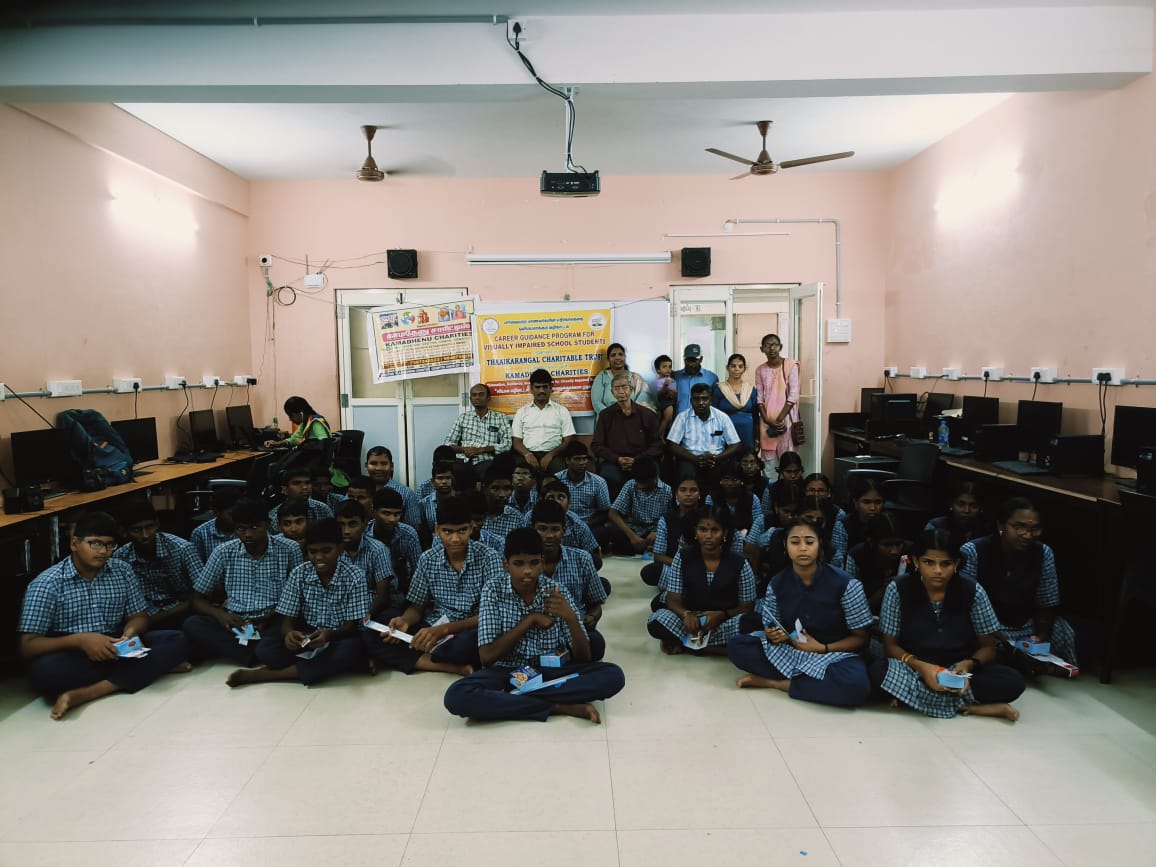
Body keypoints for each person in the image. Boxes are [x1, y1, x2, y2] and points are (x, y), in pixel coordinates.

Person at [18, 511, 192, 720]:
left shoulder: (122, 570)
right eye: (95, 544)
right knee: (45, 673)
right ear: (75, 544)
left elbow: (139, 617)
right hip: (72, 651)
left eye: (110, 545)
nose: (103, 552)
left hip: (117, 645)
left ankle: (86, 693)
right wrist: (81, 641)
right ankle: (150, 669)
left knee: (176, 639)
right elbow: (28, 645)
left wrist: (130, 633)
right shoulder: (46, 583)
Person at [442, 528, 626, 724]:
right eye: (519, 563)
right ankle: (556, 706)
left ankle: (514, 698)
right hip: (507, 672)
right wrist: (530, 620)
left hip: (550, 672)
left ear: (542, 563)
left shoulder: (557, 592)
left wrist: (571, 618)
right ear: (506, 564)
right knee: (456, 695)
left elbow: (584, 658)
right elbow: (487, 657)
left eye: (534, 563)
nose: (527, 571)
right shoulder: (493, 590)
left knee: (613, 675)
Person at [871, 529, 1024, 721]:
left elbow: (989, 647)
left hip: (958, 669)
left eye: (945, 564)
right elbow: (890, 646)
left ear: (956, 564)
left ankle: (913, 698)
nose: (937, 571)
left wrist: (968, 665)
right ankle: (971, 707)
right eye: (929, 562)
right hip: (914, 667)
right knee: (879, 671)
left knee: (1012, 681)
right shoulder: (898, 589)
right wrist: (923, 668)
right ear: (916, 562)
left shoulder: (973, 591)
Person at [727, 516, 873, 707]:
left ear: (820, 545)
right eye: (795, 542)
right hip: (794, 648)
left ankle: (779, 684)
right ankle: (811, 682)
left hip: (835, 654)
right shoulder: (777, 583)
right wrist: (774, 634)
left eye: (809, 542)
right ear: (785, 546)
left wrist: (822, 648)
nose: (803, 548)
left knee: (856, 687)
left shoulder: (847, 584)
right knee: (737, 646)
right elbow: (773, 624)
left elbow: (861, 638)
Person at [362, 496, 504, 676]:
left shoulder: (489, 558)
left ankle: (424, 655)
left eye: (462, 530)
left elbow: (492, 614)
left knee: (472, 643)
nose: (455, 539)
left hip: (470, 630)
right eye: (447, 531)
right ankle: (448, 666)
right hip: (434, 625)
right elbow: (417, 606)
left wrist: (444, 630)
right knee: (375, 631)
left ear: (471, 527)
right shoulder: (428, 559)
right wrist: (405, 621)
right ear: (437, 530)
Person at [227, 519, 371, 687]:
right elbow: (287, 619)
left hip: (338, 636)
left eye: (326, 551)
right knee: (265, 650)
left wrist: (328, 635)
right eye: (313, 551)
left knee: (349, 650)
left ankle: (265, 675)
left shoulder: (355, 576)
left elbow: (351, 626)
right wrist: (289, 634)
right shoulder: (299, 573)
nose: (319, 557)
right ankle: (322, 666)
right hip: (307, 634)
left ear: (340, 549)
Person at [959, 498, 1078, 674]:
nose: (1027, 535)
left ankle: (1034, 662)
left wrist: (1040, 640)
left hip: (1025, 625)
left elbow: (1047, 603)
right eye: (1019, 527)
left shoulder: (1043, 552)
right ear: (1001, 525)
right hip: (988, 628)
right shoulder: (972, 551)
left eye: (1034, 529)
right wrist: (1009, 646)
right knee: (984, 646)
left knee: (1064, 632)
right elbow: (965, 605)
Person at [183, 497, 304, 665]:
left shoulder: (290, 548)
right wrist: (222, 615)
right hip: (236, 621)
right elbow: (197, 598)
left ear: (268, 524)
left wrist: (271, 616)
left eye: (254, 527)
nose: (248, 534)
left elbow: (299, 593)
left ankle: (246, 650)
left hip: (274, 618)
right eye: (241, 528)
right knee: (193, 624)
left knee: (280, 636)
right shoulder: (223, 552)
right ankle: (251, 652)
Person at [647, 506, 756, 654]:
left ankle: (688, 645)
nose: (708, 536)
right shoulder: (683, 556)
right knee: (657, 619)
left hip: (723, 623)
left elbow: (747, 607)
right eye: (703, 530)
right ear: (695, 532)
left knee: (751, 623)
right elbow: (673, 599)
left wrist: (721, 615)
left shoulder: (739, 562)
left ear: (724, 533)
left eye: (715, 530)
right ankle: (715, 649)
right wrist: (686, 614)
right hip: (690, 622)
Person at [530, 500, 609, 659]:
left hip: (573, 625)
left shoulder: (582, 559)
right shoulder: (523, 564)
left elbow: (595, 604)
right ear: (532, 529)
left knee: (596, 644)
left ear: (564, 531)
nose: (549, 535)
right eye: (542, 529)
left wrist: (592, 617)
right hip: (535, 629)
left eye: (555, 529)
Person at [113, 498, 201, 628]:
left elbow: (201, 591)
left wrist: (166, 614)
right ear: (125, 532)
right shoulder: (121, 557)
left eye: (149, 527)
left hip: (183, 612)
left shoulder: (183, 548)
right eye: (137, 530)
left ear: (157, 524)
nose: (145, 535)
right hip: (143, 617)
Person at [591, 372, 664, 498]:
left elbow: (657, 445)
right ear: (612, 392)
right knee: (609, 477)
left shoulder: (647, 414)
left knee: (649, 475)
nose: (621, 392)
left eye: (624, 387)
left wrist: (637, 459)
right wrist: (617, 459)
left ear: (631, 389)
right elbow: (596, 445)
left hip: (642, 460)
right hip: (614, 462)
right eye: (617, 388)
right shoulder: (605, 415)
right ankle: (614, 509)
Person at [263, 395, 349, 486]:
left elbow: (324, 443)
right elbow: (294, 438)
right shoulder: (305, 422)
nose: (290, 419)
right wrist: (278, 443)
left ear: (300, 413)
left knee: (285, 470)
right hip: (310, 460)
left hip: (317, 463)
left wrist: (304, 443)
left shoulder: (316, 423)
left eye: (291, 416)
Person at [666, 382, 743, 485]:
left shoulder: (722, 417)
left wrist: (716, 458)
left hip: (718, 459)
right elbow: (672, 444)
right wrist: (695, 459)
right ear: (691, 401)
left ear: (711, 400)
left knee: (725, 474)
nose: (701, 402)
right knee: (686, 473)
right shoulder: (682, 417)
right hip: (690, 460)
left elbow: (736, 444)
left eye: (704, 399)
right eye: (696, 399)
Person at [334, 499, 395, 614]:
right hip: (339, 610)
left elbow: (382, 598)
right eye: (341, 525)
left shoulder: (378, 550)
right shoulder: (332, 550)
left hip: (370, 610)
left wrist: (360, 618)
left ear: (364, 524)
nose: (346, 531)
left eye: (352, 524)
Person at [511, 368, 576, 476]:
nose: (541, 391)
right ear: (531, 388)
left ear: (551, 388)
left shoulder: (562, 411)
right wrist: (527, 454)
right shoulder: (521, 412)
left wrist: (551, 455)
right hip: (527, 454)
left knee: (561, 476)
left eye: (545, 387)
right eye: (537, 387)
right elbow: (516, 442)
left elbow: (568, 440)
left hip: (554, 455)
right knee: (520, 477)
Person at [642, 475, 701, 588]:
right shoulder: (666, 519)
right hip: (675, 565)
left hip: (702, 567)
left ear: (699, 494)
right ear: (676, 494)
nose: (688, 494)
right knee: (649, 572)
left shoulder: (706, 516)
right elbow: (658, 556)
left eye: (693, 490)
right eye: (683, 490)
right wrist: (681, 565)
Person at [368, 487, 423, 610]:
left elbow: (418, 573)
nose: (392, 519)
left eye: (397, 514)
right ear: (373, 512)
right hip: (370, 595)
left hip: (400, 596)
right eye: (386, 513)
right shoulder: (364, 534)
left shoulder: (408, 534)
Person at [604, 458, 672, 556]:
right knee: (607, 531)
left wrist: (658, 532)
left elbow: (671, 519)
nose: (640, 486)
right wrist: (632, 536)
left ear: (655, 477)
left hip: (654, 534)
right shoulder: (630, 485)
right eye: (638, 482)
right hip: (631, 530)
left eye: (644, 482)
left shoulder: (667, 491)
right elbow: (613, 513)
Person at [845, 512, 909, 615]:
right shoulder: (857, 556)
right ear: (871, 542)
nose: (894, 551)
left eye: (898, 544)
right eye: (887, 545)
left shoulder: (910, 554)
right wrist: (877, 597)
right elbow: (851, 603)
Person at [443, 384, 512, 479]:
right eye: (474, 395)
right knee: (454, 471)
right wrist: (464, 449)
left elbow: (507, 445)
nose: (477, 397)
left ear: (488, 398)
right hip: (462, 459)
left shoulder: (500, 418)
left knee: (489, 472)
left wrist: (480, 450)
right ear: (470, 399)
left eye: (481, 394)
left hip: (486, 460)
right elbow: (447, 444)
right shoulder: (463, 417)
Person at [754, 334, 800, 467]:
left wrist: (779, 420)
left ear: (781, 347)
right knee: (769, 462)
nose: (771, 349)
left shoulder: (791, 366)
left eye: (774, 345)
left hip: (786, 419)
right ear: (762, 349)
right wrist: (767, 420)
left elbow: (793, 395)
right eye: (767, 346)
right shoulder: (760, 369)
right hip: (767, 420)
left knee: (788, 459)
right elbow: (759, 397)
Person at [540, 480, 604, 569]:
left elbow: (594, 553)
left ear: (569, 503)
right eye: (551, 497)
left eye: (561, 497)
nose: (556, 501)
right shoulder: (530, 518)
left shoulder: (579, 525)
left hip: (572, 566)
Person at [831, 476, 886, 568]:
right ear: (856, 503)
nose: (873, 508)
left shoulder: (888, 524)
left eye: (878, 502)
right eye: (866, 502)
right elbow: (838, 563)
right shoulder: (843, 525)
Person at [554, 441, 610, 528]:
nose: (582, 463)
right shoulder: (556, 480)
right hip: (562, 526)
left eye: (584, 459)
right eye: (577, 459)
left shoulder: (598, 482)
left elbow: (605, 512)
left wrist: (584, 526)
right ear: (567, 460)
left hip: (589, 525)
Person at [589, 342, 655, 414]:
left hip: (633, 416)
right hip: (608, 418)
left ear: (624, 357)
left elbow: (644, 396)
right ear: (608, 359)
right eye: (613, 355)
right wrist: (611, 416)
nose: (617, 357)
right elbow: (597, 402)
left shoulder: (635, 378)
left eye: (620, 354)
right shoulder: (602, 376)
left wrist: (630, 412)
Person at [712, 353, 759, 451]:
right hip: (726, 435)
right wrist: (714, 441)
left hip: (747, 434)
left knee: (747, 459)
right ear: (727, 368)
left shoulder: (750, 389)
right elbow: (714, 417)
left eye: (740, 366)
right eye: (733, 366)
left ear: (744, 369)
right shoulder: (720, 389)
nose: (737, 369)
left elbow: (756, 416)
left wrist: (757, 439)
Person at [364, 446, 421, 527]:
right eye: (373, 463)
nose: (378, 468)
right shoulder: (356, 491)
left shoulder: (407, 494)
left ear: (391, 466)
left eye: (383, 463)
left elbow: (413, 527)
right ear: (366, 466)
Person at [925, 481, 991, 548]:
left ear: (981, 508)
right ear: (951, 505)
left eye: (973, 506)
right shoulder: (937, 526)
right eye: (960, 504)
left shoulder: (988, 532)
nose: (966, 510)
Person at [266, 465, 334, 526]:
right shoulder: (274, 517)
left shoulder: (322, 508)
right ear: (285, 489)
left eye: (307, 483)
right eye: (297, 483)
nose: (305, 487)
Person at [191, 486, 241, 565]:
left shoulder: (245, 530)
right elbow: (197, 566)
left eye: (239, 513)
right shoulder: (200, 533)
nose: (237, 517)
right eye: (231, 514)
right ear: (216, 512)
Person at [418, 460, 457, 548]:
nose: (444, 481)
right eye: (440, 478)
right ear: (433, 481)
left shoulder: (461, 501)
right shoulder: (423, 504)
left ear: (453, 479)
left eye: (448, 478)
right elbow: (423, 533)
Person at [672, 343, 719, 415]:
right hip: (679, 419)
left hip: (703, 419)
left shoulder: (712, 378)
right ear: (684, 359)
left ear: (701, 359)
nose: (691, 364)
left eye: (694, 360)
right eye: (688, 360)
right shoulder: (675, 376)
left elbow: (715, 402)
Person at [761, 451, 804, 519]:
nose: (793, 475)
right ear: (781, 472)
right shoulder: (771, 490)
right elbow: (764, 516)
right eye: (788, 472)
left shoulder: (806, 488)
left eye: (796, 471)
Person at [653, 354, 678, 436]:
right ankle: (659, 435)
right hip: (665, 402)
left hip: (672, 402)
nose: (668, 369)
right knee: (667, 418)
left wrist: (674, 393)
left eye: (670, 366)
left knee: (670, 419)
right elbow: (659, 394)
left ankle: (663, 435)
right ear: (658, 370)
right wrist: (665, 386)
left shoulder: (671, 379)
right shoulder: (659, 381)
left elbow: (674, 392)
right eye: (664, 367)